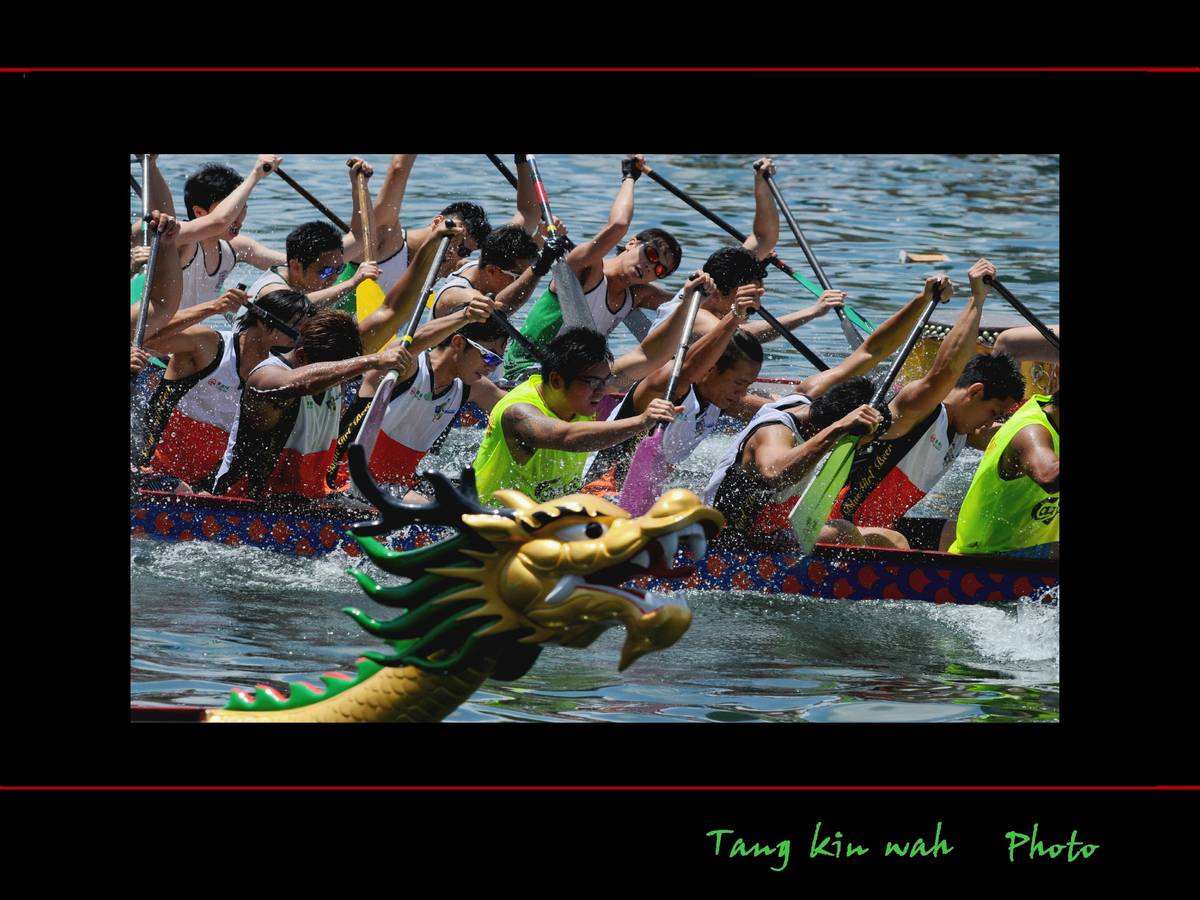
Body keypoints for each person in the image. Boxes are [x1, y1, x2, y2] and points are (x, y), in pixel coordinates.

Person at [210, 223, 462, 502]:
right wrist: (370, 360)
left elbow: (391, 310)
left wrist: (431, 245)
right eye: (340, 370)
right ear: (302, 355)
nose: (341, 378)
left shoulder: (335, 359)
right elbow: (302, 383)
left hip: (314, 501)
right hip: (248, 504)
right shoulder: (266, 377)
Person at [701, 275, 954, 546]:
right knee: (842, 532)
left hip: (773, 525)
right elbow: (775, 474)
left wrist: (922, 300)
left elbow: (871, 351)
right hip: (731, 538)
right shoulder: (775, 432)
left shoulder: (808, 395)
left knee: (892, 539)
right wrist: (838, 429)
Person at [827, 259, 1027, 550]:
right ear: (975, 392)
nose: (990, 422)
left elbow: (1022, 437)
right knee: (897, 542)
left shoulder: (964, 429)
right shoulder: (918, 407)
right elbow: (945, 370)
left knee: (968, 534)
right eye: (993, 412)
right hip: (839, 527)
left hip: (885, 523)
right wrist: (977, 299)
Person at [501, 155, 686, 382]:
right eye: (651, 254)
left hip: (573, 379)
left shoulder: (638, 295)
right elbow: (618, 225)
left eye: (659, 271)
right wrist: (629, 176)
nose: (649, 267)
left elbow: (692, 303)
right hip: (525, 368)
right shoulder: (587, 266)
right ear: (632, 243)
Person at [580, 280, 761, 501]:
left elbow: (769, 410)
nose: (742, 393)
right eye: (739, 383)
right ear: (710, 369)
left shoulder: (719, 399)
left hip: (639, 500)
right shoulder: (667, 384)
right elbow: (687, 368)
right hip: (595, 492)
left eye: (747, 386)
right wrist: (734, 316)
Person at [471, 327, 678, 505]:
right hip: (490, 520)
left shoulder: (581, 391)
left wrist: (686, 302)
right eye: (594, 382)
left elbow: (647, 355)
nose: (602, 391)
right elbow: (566, 436)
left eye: (605, 381)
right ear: (556, 381)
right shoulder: (518, 413)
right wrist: (641, 421)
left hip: (548, 518)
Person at [135, 288, 311, 492]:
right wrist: (213, 308)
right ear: (264, 322)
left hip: (204, 484)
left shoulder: (275, 373)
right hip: (152, 468)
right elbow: (147, 340)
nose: (299, 338)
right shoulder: (208, 344)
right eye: (297, 328)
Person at [329, 302, 508, 500]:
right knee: (448, 510)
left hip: (399, 486)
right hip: (347, 484)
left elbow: (518, 406)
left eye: (499, 360)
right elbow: (407, 345)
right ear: (458, 343)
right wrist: (465, 316)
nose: (492, 367)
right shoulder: (404, 367)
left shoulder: (472, 387)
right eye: (489, 357)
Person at [140, 154, 287, 314]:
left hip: (187, 327)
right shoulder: (181, 239)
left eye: (242, 207)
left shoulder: (236, 248)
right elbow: (219, 221)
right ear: (199, 212)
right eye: (233, 209)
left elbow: (290, 264)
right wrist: (256, 175)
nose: (238, 217)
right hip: (154, 327)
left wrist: (311, 269)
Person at [948, 390, 1059, 558]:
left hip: (1031, 554)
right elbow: (1049, 475)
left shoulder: (1050, 413)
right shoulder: (1031, 431)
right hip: (985, 562)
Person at [428, 223, 553, 319]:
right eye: (519, 277)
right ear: (491, 271)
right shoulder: (456, 295)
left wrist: (541, 236)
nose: (523, 281)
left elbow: (526, 214)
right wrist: (537, 270)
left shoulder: (487, 261)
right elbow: (499, 310)